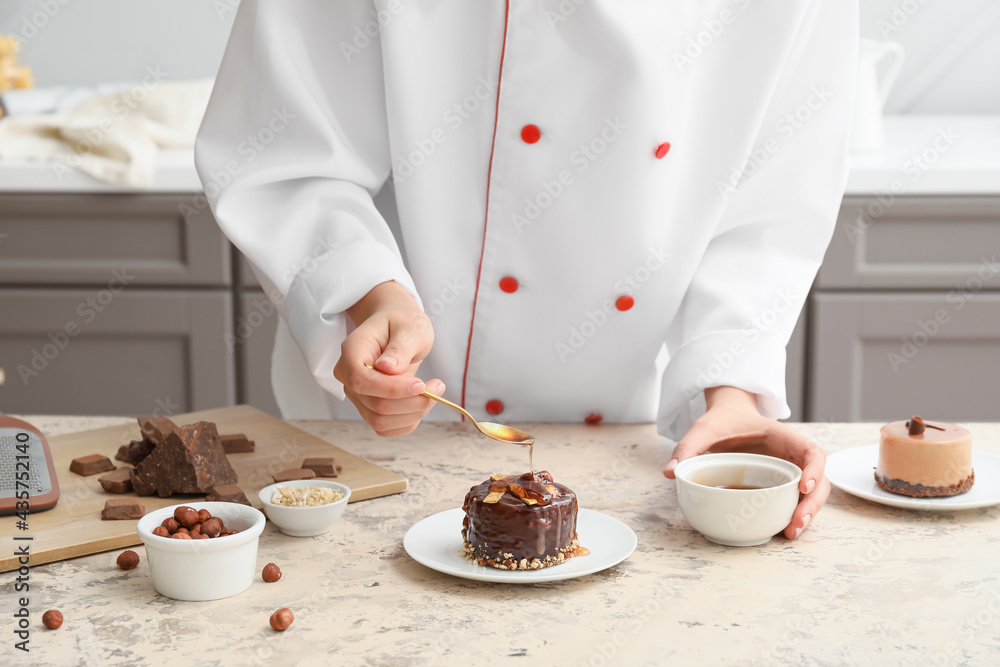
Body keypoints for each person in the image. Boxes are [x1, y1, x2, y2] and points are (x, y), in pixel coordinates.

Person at [195, 0, 859, 539]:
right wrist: (366, 296)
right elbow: (281, 146)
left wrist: (734, 398)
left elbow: (772, 205)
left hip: (639, 450)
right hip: (382, 444)